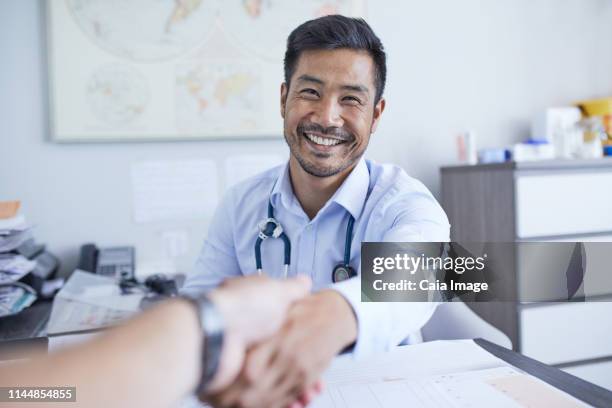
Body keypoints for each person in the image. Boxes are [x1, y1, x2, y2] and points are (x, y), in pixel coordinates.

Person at [183, 15, 450, 408]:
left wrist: (338, 313)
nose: (327, 117)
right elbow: (200, 307)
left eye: (351, 99)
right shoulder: (241, 203)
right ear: (283, 99)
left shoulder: (405, 204)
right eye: (310, 92)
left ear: (375, 115)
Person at [1, 275, 312, 408]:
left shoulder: (364, 199)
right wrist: (213, 334)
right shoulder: (244, 198)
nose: (329, 132)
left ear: (366, 135)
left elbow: (363, 296)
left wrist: (337, 308)